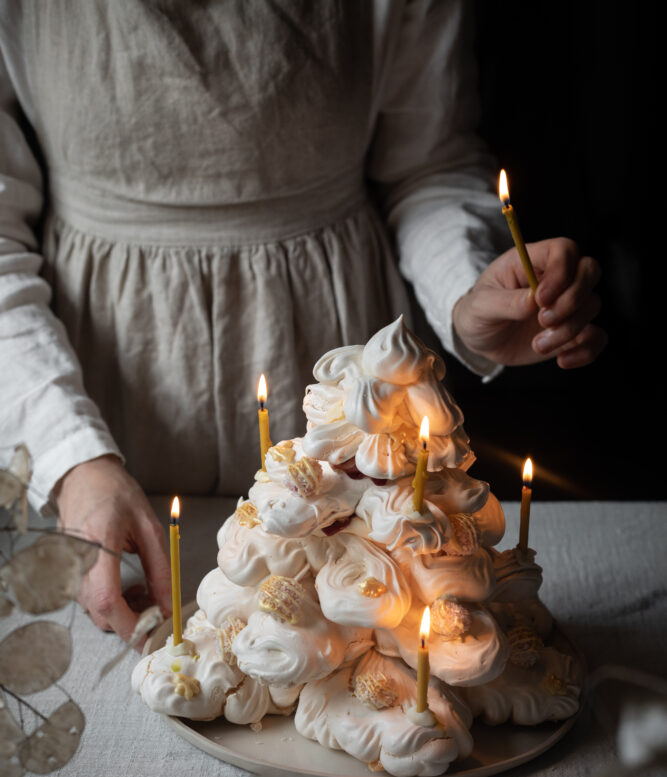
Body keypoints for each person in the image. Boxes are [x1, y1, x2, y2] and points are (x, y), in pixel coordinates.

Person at [0, 0, 605, 641]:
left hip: (345, 390)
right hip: (96, 407)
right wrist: (74, 461)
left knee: (353, 637)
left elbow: (426, 165)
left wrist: (464, 290)